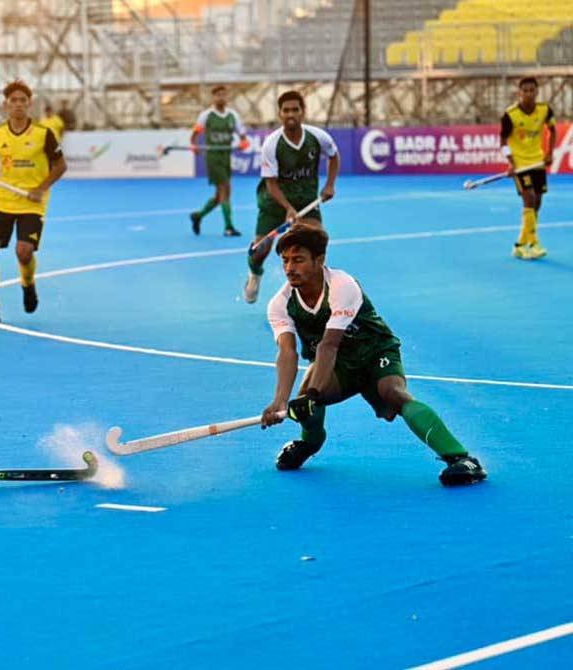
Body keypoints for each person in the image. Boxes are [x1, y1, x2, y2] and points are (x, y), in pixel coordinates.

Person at [258, 225, 486, 487]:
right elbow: (287, 352)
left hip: (375, 352)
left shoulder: (342, 286)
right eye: (285, 260)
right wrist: (280, 401)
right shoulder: (280, 304)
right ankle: (308, 443)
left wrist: (312, 396)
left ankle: (461, 458)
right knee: (305, 406)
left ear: (319, 261)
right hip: (339, 365)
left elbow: (329, 344)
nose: (289, 268)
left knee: (393, 393)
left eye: (298, 260)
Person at [0, 79, 67, 325]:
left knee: (24, 252)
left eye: (23, 100)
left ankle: (28, 283)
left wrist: (40, 188)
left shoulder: (44, 135)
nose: (18, 105)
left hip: (32, 202)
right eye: (14, 101)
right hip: (2, 201)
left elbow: (60, 166)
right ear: (6, 105)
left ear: (29, 104)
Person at [243, 90, 339, 304]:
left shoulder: (317, 137)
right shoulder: (272, 144)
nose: (291, 114)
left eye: (295, 109)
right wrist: (287, 208)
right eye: (286, 110)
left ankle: (308, 297)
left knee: (316, 242)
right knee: (260, 250)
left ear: (303, 112)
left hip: (306, 201)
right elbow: (271, 183)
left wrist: (330, 185)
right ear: (280, 114)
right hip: (273, 203)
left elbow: (333, 155)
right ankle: (254, 274)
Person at [501, 76, 556, 260]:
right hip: (520, 164)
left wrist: (549, 152)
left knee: (537, 203)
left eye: (532, 90)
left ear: (537, 92)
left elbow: (552, 129)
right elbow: (502, 141)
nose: (528, 94)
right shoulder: (510, 115)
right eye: (525, 91)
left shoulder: (544, 110)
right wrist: (510, 161)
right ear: (519, 93)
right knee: (529, 198)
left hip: (537, 162)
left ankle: (520, 245)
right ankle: (534, 243)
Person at [188, 85, 248, 238]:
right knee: (225, 190)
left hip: (226, 156)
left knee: (219, 196)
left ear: (227, 97)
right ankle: (228, 227)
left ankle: (198, 216)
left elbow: (243, 137)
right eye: (218, 95)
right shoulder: (206, 115)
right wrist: (194, 145)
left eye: (223, 95)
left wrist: (243, 143)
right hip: (213, 157)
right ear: (213, 97)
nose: (221, 98)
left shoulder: (233, 115)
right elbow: (195, 134)